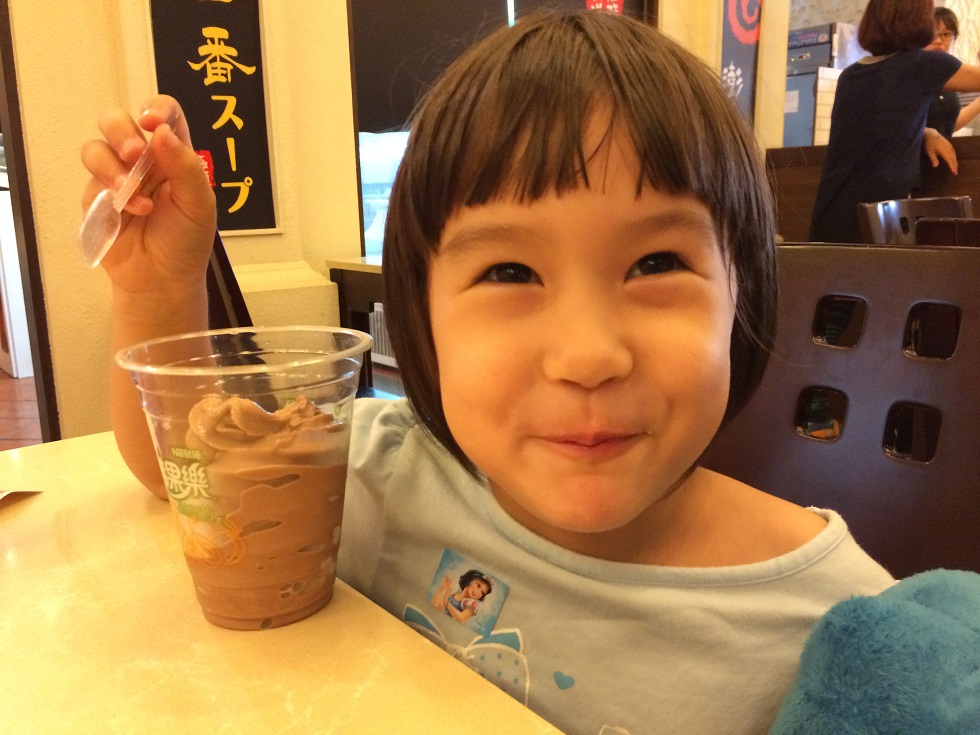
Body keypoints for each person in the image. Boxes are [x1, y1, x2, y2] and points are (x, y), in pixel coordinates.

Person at [81, 11, 895, 734]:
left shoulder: (839, 624)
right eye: (509, 272)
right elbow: (186, 477)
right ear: (421, 312)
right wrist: (158, 289)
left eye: (656, 263)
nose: (587, 356)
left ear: (742, 287)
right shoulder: (382, 470)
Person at [809, 0, 980, 243]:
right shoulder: (923, 65)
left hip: (829, 218)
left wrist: (925, 132)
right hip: (874, 225)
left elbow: (877, 127)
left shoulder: (850, 76)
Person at [925, 7, 980, 138]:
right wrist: (927, 135)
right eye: (933, 34)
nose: (939, 41)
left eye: (946, 34)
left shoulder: (949, 73)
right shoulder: (913, 73)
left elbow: (948, 125)